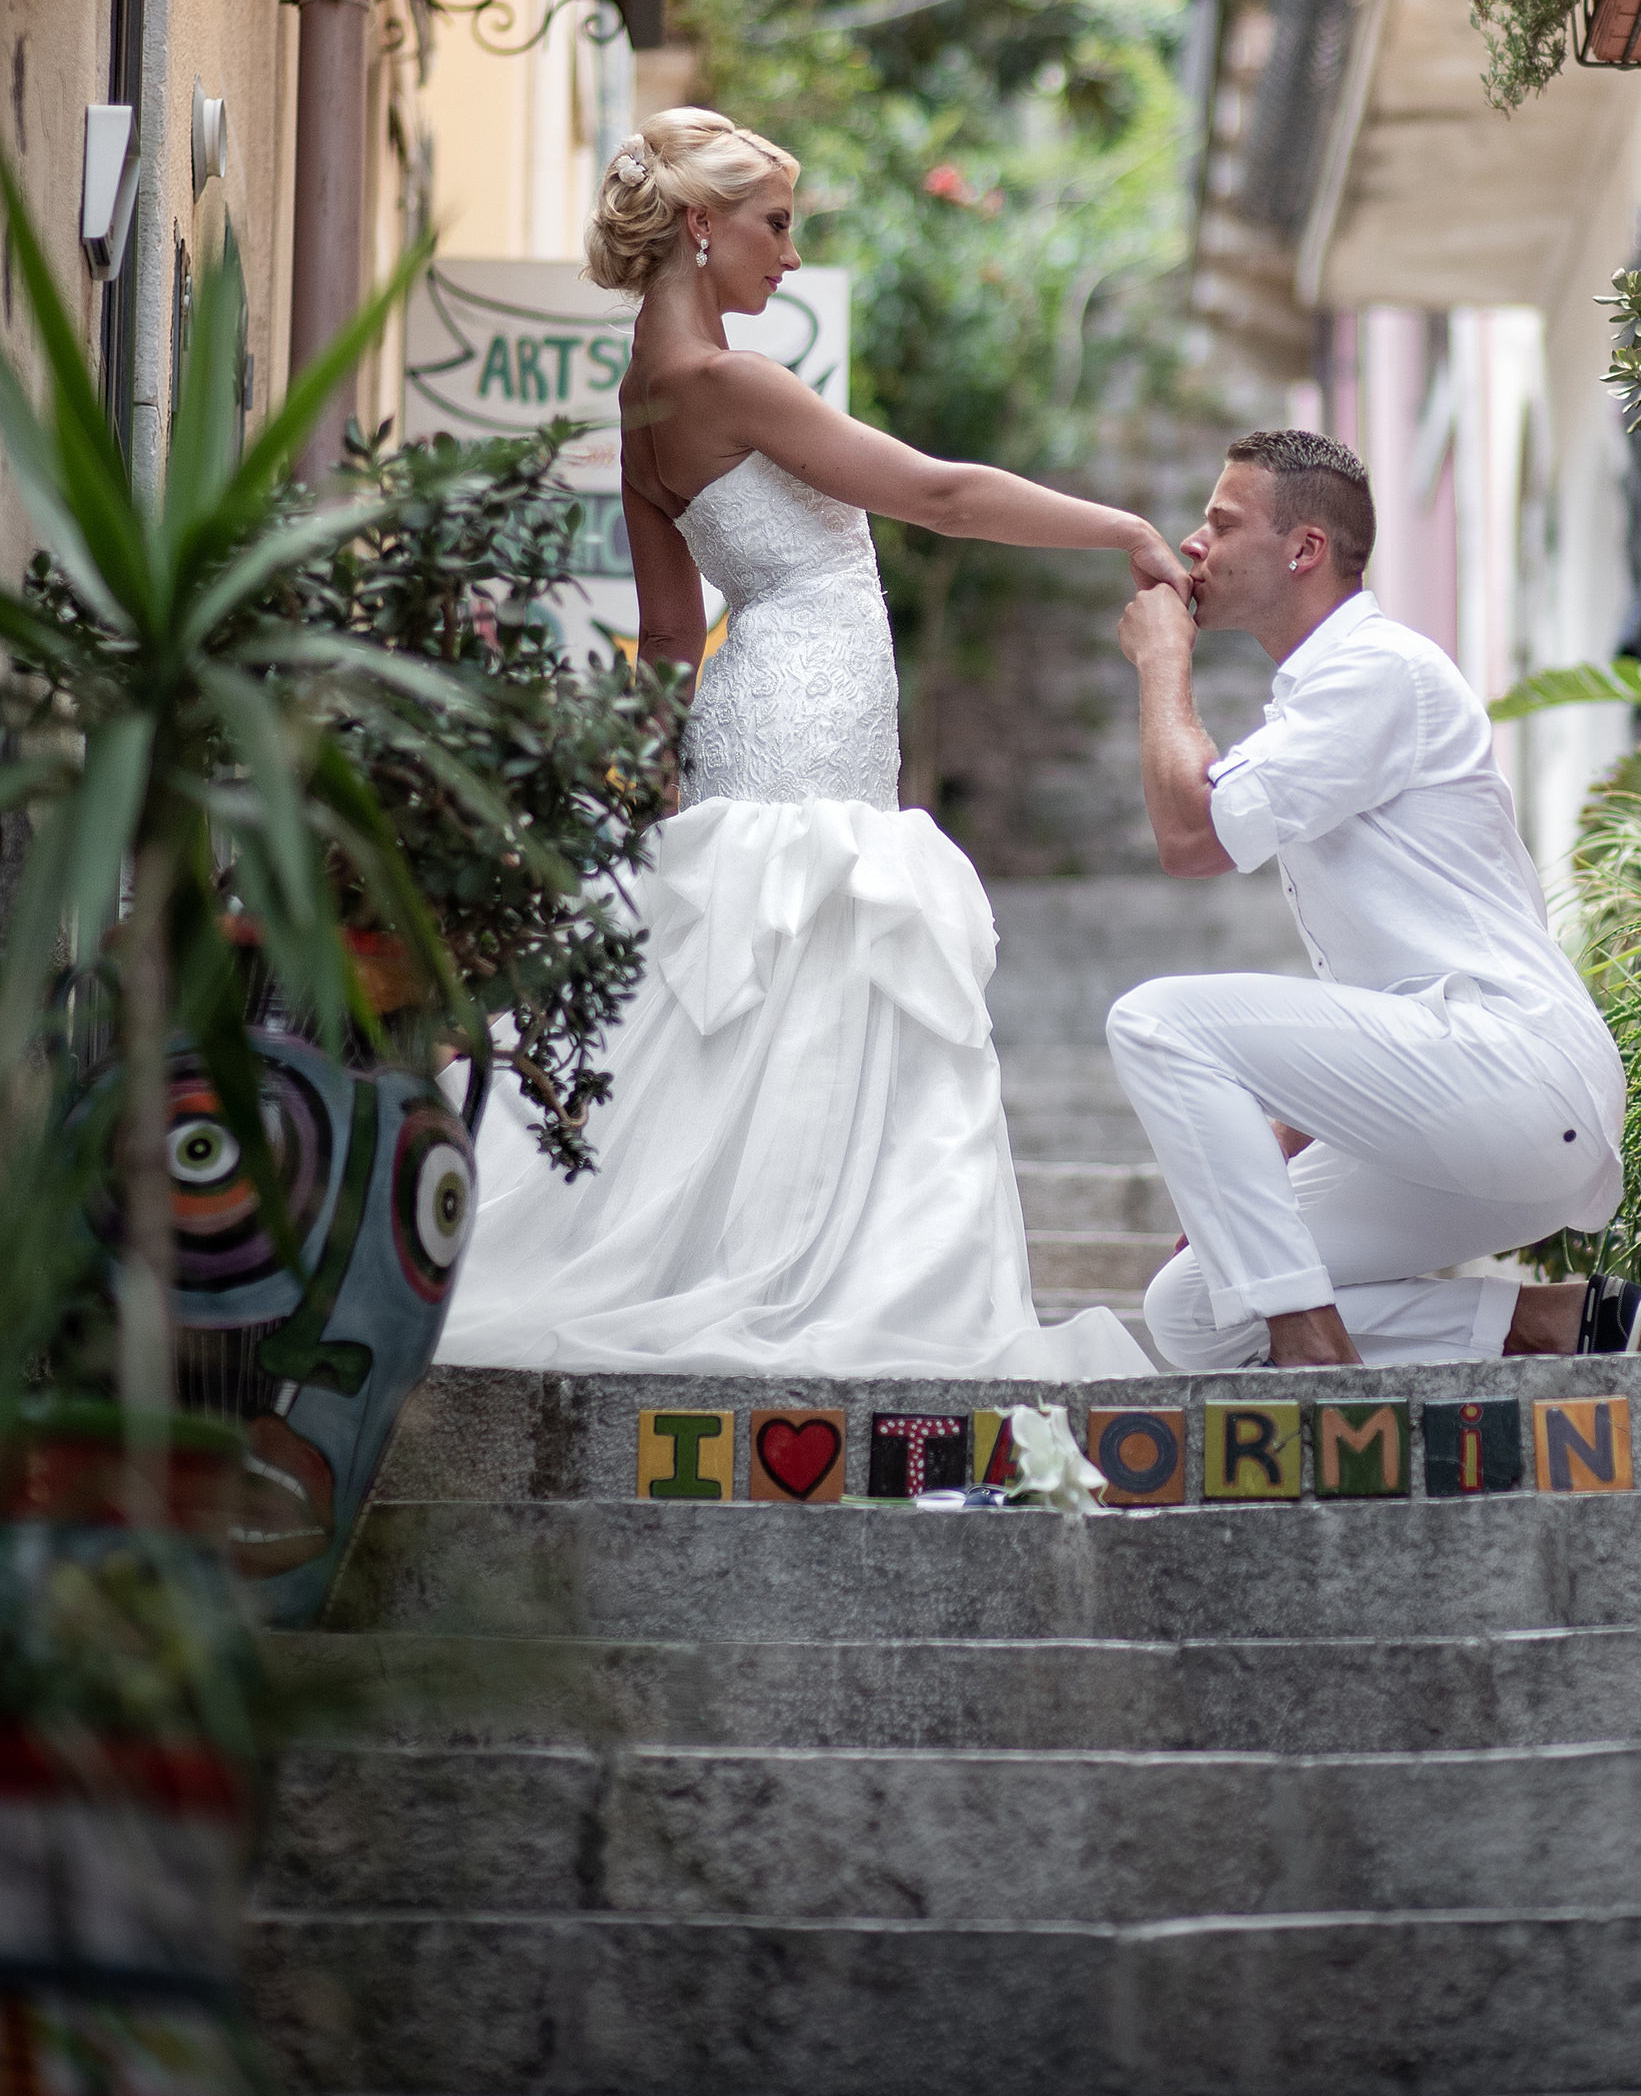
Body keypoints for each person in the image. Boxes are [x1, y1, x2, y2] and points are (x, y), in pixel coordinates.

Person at [437, 107, 1181, 1379]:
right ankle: (828, 1272)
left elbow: (671, 637)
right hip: (803, 699)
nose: (788, 254)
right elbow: (938, 494)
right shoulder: (733, 383)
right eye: (776, 225)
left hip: (757, 709)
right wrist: (1121, 526)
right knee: (828, 956)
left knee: (769, 977)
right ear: (698, 225)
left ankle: (775, 1256)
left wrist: (651, 783)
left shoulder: (642, 401)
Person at [1109, 427, 1641, 1373]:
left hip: (1513, 1072)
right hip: (1465, 1117)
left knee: (1157, 1022)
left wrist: (1162, 665)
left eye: (1221, 523)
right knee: (1194, 1309)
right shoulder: (1326, 697)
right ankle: (1545, 1323)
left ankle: (1312, 1347)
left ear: (1303, 549)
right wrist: (1254, 1179)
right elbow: (1375, 1007)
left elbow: (1190, 836)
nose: (1193, 544)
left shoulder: (1376, 673)